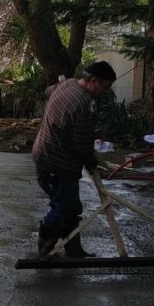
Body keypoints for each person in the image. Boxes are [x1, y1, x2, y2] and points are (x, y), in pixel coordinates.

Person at [32, 61, 116, 258]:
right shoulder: (85, 104)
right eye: (104, 87)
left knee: (71, 206)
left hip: (44, 156)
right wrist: (91, 161)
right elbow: (82, 143)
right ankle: (45, 245)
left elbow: (48, 91)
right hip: (57, 164)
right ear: (93, 80)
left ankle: (73, 249)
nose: (104, 92)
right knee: (63, 207)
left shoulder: (67, 84)